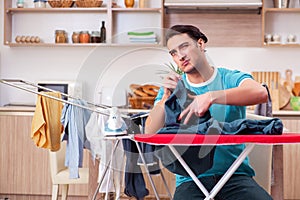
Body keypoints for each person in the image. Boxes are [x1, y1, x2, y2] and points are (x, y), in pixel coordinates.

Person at [144, 24, 272, 200]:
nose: (180, 55)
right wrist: (166, 97)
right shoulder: (173, 89)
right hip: (190, 181)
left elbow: (260, 93)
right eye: (173, 52)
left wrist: (210, 97)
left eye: (184, 46)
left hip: (235, 177)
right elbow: (149, 132)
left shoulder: (230, 78)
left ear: (201, 44)